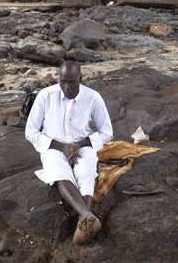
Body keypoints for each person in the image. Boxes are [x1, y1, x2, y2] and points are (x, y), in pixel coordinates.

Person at [25, 61, 113, 245]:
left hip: (83, 145)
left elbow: (107, 132)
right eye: (63, 81)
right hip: (53, 147)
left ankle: (84, 223)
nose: (66, 87)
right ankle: (87, 215)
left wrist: (80, 144)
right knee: (59, 172)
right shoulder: (45, 96)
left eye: (72, 82)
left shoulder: (93, 97)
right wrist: (62, 147)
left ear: (80, 79)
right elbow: (31, 132)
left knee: (86, 172)